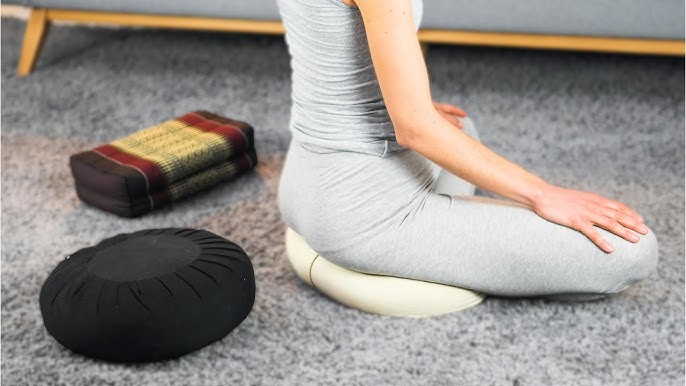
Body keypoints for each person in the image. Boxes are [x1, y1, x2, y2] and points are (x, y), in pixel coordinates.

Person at [275, 0, 658, 300]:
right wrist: (544, 194)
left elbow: (326, 50)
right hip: (360, 214)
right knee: (631, 251)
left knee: (461, 130)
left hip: (307, 177)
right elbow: (416, 131)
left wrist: (395, 105)